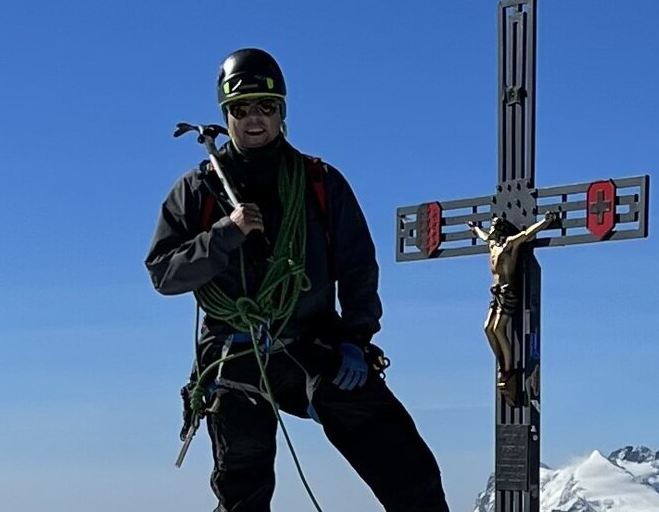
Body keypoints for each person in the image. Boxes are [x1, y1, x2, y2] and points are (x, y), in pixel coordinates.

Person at [145, 48, 449, 512]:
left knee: (405, 463)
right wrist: (225, 234)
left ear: (281, 113)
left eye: (265, 107)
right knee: (244, 486)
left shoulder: (318, 182)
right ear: (226, 115)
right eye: (241, 109)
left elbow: (358, 268)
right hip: (236, 352)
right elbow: (164, 273)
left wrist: (356, 338)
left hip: (313, 342)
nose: (253, 119)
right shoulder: (200, 188)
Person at [466, 212, 558, 406]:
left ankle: (509, 369)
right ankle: (503, 364)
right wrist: (474, 228)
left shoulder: (509, 244)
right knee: (487, 328)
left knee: (498, 328)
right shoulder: (492, 244)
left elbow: (526, 234)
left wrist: (546, 221)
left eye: (492, 228)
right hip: (496, 292)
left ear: (499, 230)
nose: (489, 231)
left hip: (509, 291)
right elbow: (482, 236)